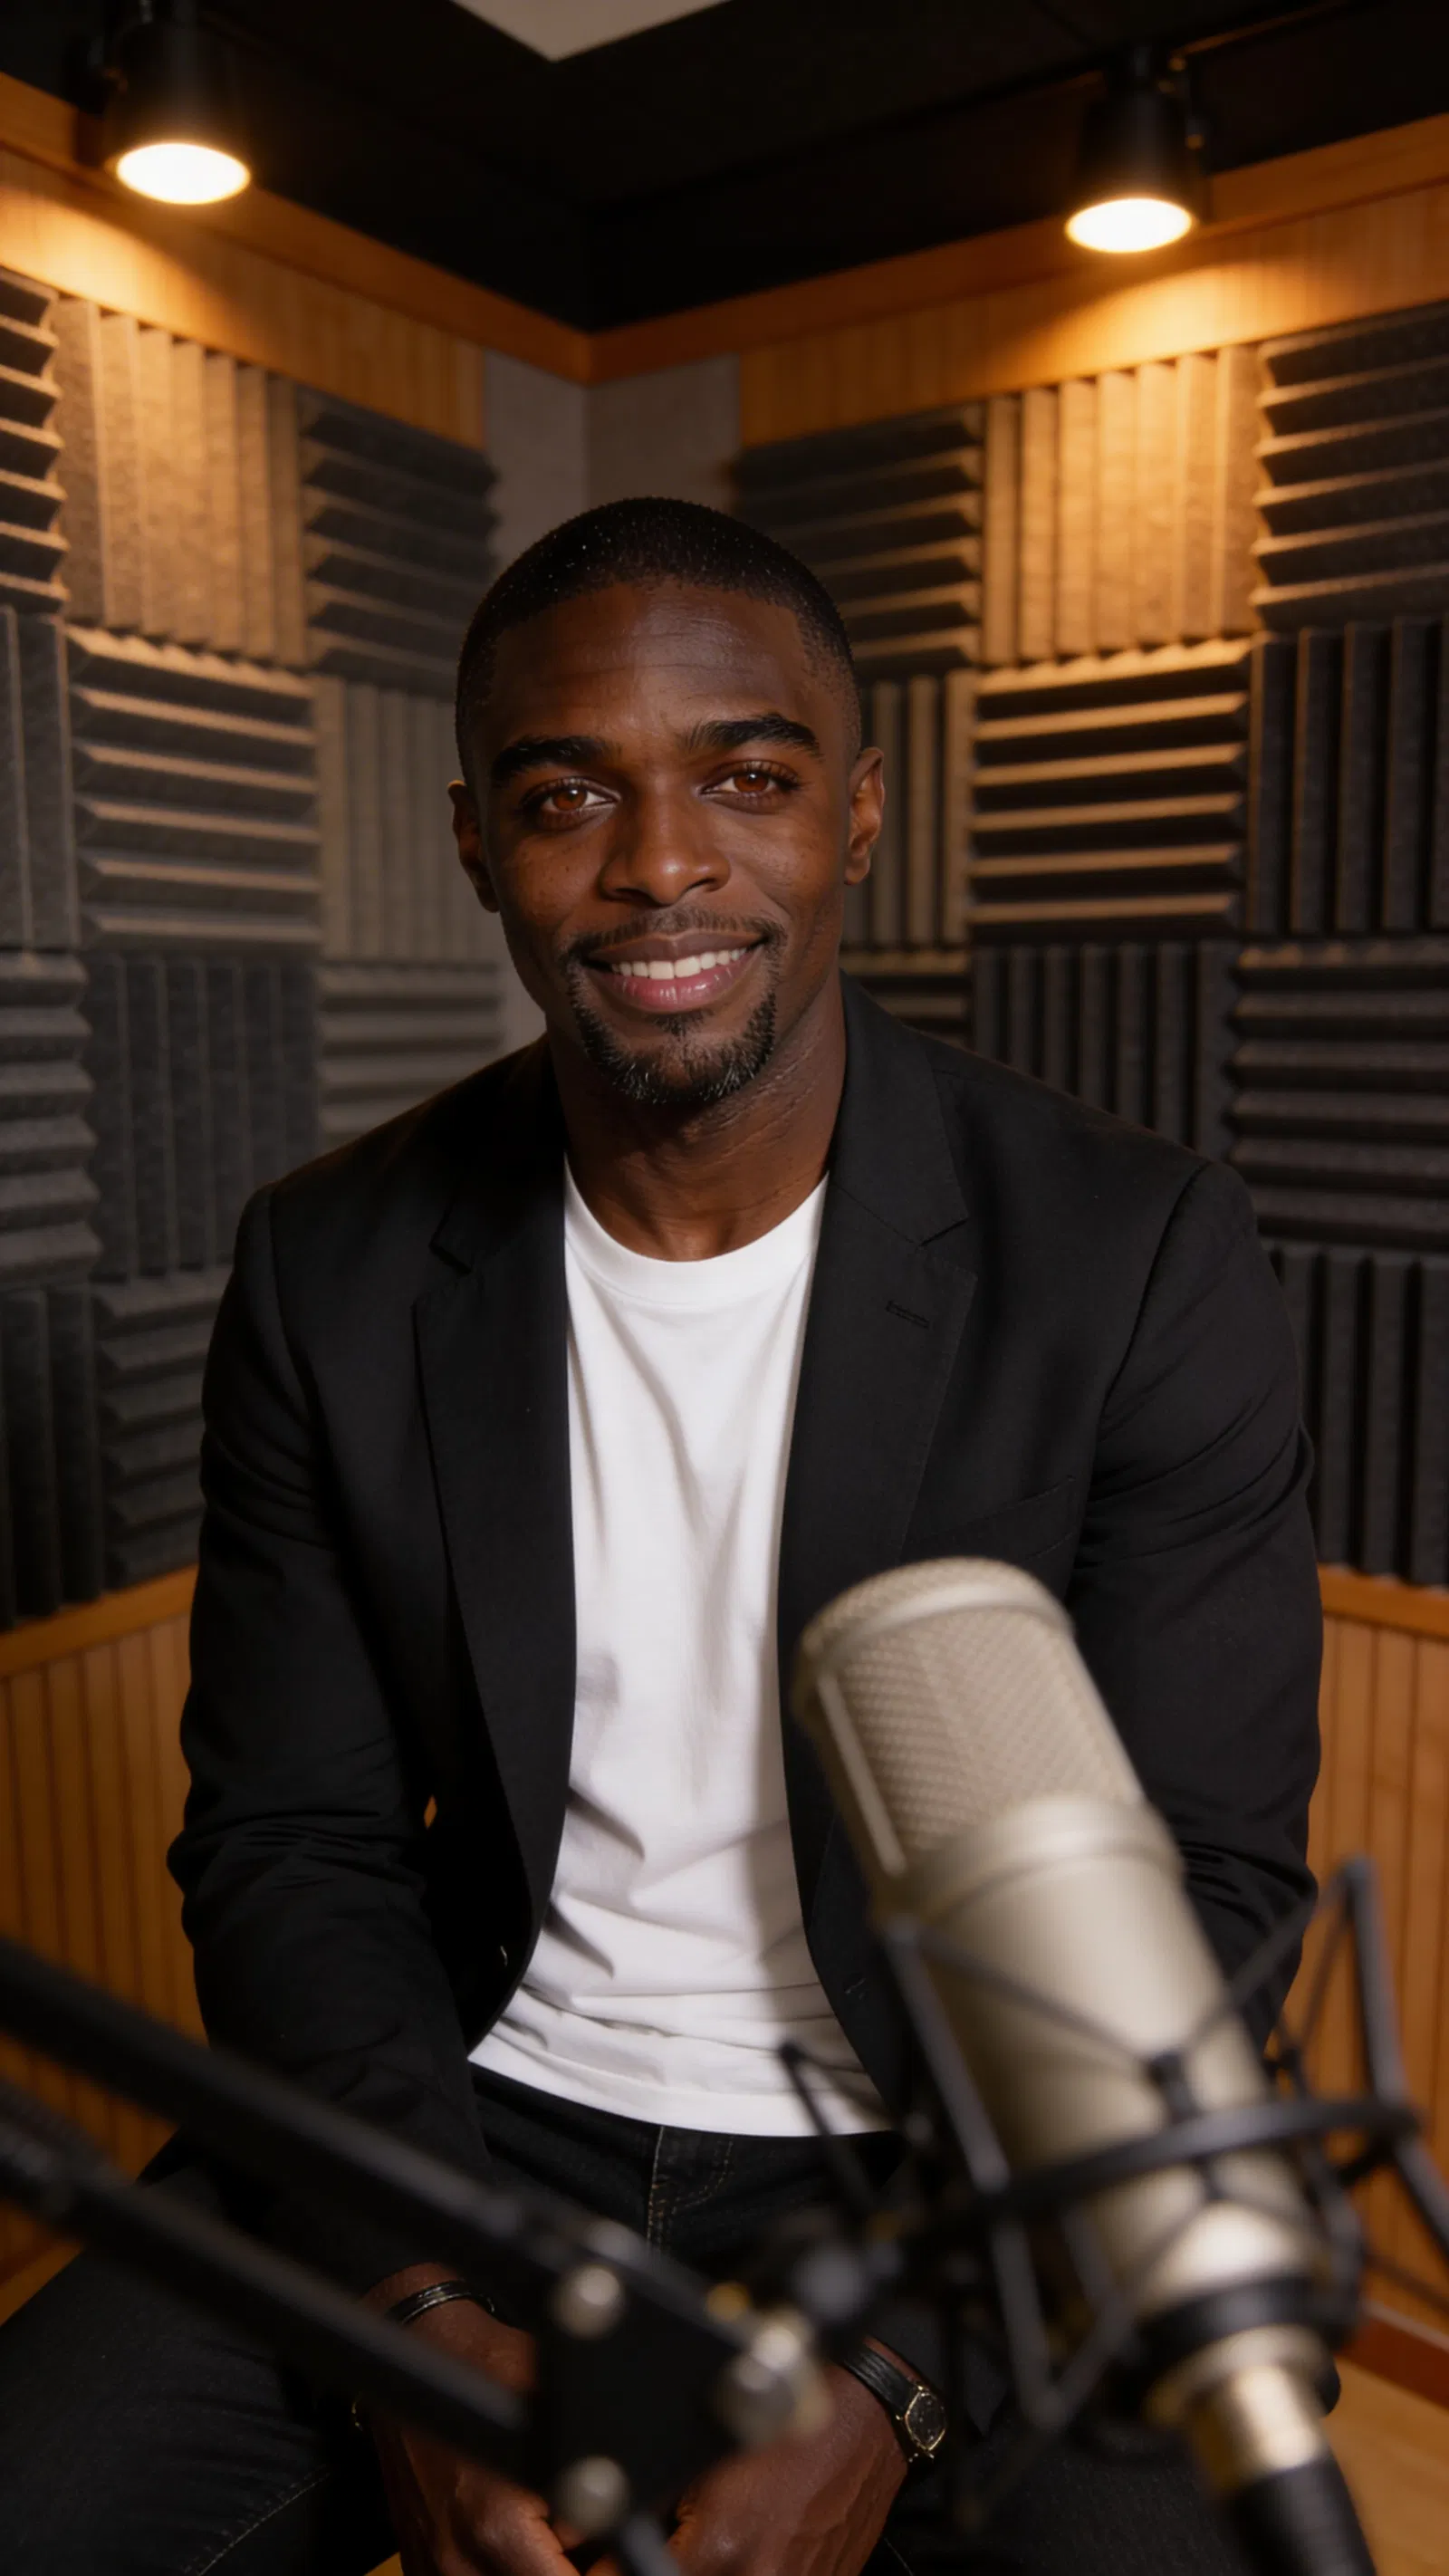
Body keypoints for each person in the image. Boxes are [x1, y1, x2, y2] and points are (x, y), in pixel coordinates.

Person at [0, 498, 1320, 2576]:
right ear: (470, 843)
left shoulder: (1127, 1254)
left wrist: (893, 2375)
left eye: (747, 777)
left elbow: (1207, 1891)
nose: (661, 863)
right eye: (566, 794)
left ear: (857, 813)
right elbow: (294, 1847)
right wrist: (416, 2320)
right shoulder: (333, 1268)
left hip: (953, 2153)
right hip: (473, 2109)